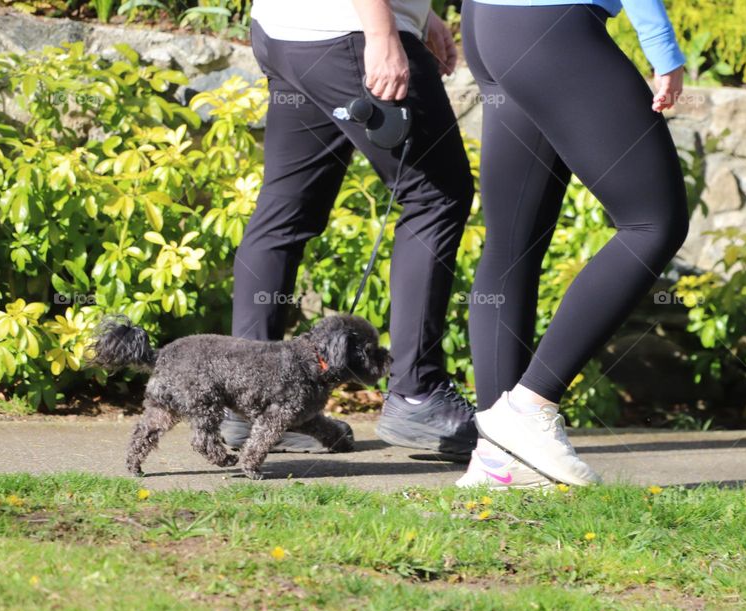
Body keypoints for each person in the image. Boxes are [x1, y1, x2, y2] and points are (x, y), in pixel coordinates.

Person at [221, 0, 479, 456]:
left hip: (289, 31)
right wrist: (383, 34)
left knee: (286, 211)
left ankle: (250, 405)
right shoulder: (368, 34)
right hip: (351, 32)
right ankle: (417, 393)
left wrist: (417, 13)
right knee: (436, 195)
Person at [455, 0, 690, 488]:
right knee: (654, 222)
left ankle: (499, 458)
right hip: (549, 26)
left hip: (490, 21)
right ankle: (530, 405)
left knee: (511, 245)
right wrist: (662, 46)